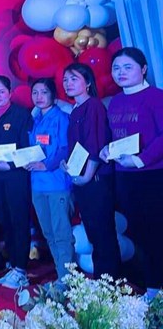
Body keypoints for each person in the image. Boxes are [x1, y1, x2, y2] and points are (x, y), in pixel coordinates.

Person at [103, 47, 163, 299]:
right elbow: (116, 136)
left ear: (144, 69)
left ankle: (156, 287)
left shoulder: (156, 97)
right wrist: (107, 149)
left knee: (156, 232)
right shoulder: (116, 101)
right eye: (116, 68)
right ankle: (151, 285)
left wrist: (140, 160)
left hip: (150, 175)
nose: (121, 72)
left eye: (127, 67)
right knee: (137, 231)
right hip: (124, 176)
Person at [60, 63, 120, 279]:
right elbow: (77, 146)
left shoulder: (93, 105)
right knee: (93, 232)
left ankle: (110, 283)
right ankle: (102, 280)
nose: (68, 83)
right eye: (65, 80)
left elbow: (95, 142)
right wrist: (66, 165)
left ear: (87, 82)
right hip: (81, 179)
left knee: (103, 233)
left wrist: (87, 174)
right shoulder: (75, 109)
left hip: (94, 179)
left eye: (74, 79)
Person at [0, 75, 33, 290]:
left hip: (16, 177)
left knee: (19, 220)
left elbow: (28, 149)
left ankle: (22, 270)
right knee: (5, 220)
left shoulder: (22, 115)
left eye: (1, 92)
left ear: (10, 93)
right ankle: (14, 266)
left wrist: (12, 165)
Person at [26, 78, 73, 283]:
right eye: (35, 92)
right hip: (37, 184)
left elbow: (64, 148)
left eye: (44, 92)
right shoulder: (35, 120)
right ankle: (61, 274)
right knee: (48, 232)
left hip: (56, 183)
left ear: (53, 95)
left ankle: (67, 279)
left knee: (61, 232)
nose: (39, 97)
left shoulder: (61, 118)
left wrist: (46, 165)